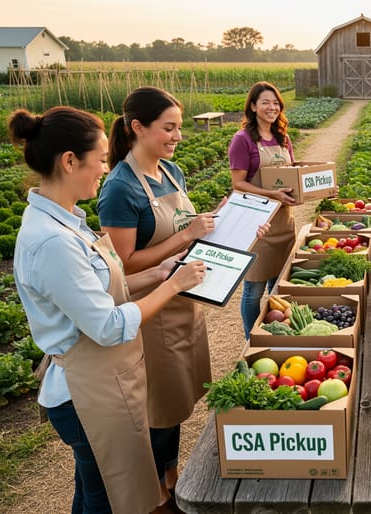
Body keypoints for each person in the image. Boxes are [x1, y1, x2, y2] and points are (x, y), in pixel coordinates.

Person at [10, 106, 207, 513]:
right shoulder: (52, 242)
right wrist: (173, 286)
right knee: (106, 500)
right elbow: (108, 325)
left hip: (100, 381)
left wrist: (158, 274)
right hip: (85, 394)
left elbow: (104, 291)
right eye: (99, 160)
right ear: (69, 161)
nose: (104, 169)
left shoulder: (66, 221)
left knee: (94, 491)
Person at [98, 86, 219, 506]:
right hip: (152, 310)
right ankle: (158, 491)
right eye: (169, 128)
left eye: (179, 128)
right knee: (160, 408)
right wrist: (188, 234)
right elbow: (123, 263)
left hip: (182, 298)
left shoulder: (171, 172)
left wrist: (225, 223)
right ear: (138, 127)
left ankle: (171, 474)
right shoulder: (120, 188)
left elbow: (189, 231)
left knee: (179, 398)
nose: (177, 137)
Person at [228, 81, 299, 338]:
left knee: (277, 287)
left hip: (283, 222)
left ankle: (273, 333)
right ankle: (251, 337)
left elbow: (291, 174)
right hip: (258, 224)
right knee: (253, 291)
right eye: (266, 102)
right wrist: (272, 194)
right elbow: (238, 184)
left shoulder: (283, 137)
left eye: (276, 103)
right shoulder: (243, 140)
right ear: (253, 106)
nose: (272, 107)